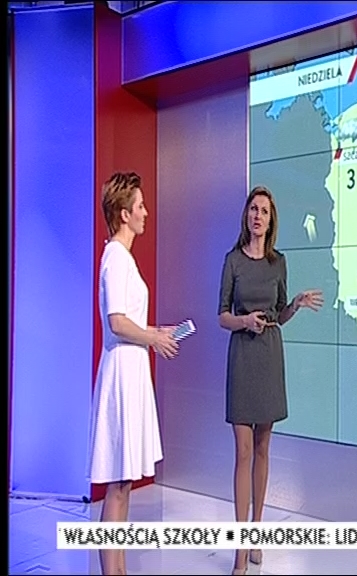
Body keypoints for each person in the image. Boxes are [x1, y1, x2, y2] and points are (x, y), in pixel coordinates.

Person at [218, 185, 324, 575]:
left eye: (263, 211)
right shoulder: (232, 261)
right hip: (242, 357)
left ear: (270, 220)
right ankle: (239, 545)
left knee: (263, 449)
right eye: (253, 209)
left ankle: (256, 533)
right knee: (243, 452)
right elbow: (221, 316)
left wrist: (293, 305)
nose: (257, 216)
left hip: (269, 357)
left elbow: (279, 315)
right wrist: (244, 321)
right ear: (246, 216)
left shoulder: (279, 263)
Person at [87, 172, 180, 576]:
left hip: (131, 369)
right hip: (122, 374)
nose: (146, 212)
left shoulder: (122, 259)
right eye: (140, 206)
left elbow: (129, 322)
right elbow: (117, 322)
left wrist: (156, 332)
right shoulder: (115, 257)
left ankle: (119, 568)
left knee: (124, 484)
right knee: (118, 484)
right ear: (124, 214)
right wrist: (152, 338)